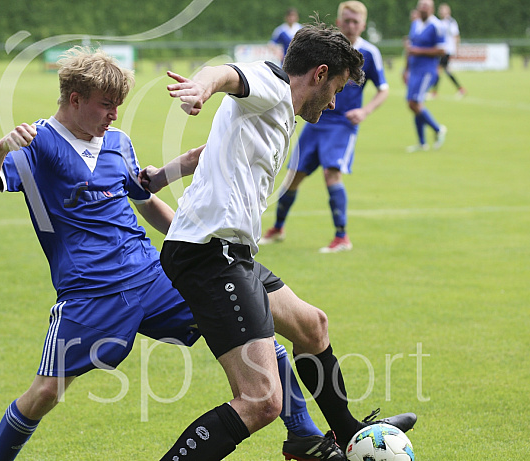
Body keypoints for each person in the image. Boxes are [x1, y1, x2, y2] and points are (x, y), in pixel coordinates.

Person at [0, 46, 341, 461]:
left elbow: (144, 202)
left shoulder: (118, 143)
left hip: (151, 275)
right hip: (91, 292)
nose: (113, 115)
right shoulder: (39, 143)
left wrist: (184, 200)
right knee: (45, 393)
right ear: (75, 100)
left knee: (257, 326)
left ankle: (304, 437)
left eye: (117, 106)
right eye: (105, 105)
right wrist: (2, 147)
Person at [149, 19, 416, 461]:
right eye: (337, 89)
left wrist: (157, 178)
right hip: (208, 256)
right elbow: (228, 75)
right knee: (261, 401)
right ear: (319, 74)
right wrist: (200, 86)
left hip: (229, 252)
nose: (333, 103)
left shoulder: (275, 111)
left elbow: (205, 151)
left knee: (313, 325)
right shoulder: (271, 84)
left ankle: (349, 437)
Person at [262, 1, 389, 253]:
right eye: (347, 21)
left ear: (363, 25)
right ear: (340, 22)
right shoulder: (328, 50)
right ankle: (278, 227)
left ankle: (342, 236)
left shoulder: (370, 54)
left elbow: (383, 89)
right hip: (316, 120)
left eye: (356, 22)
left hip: (342, 124)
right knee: (293, 175)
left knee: (331, 173)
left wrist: (365, 111)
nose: (351, 26)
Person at [404, 0, 448, 152]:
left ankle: (438, 129)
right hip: (414, 70)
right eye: (420, 6)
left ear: (431, 9)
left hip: (427, 71)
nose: (423, 9)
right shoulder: (415, 24)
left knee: (414, 103)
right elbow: (410, 48)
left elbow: (442, 50)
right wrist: (406, 69)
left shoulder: (437, 26)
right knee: (414, 103)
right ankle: (422, 143)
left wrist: (419, 51)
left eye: (426, 7)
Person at [430, 2, 465, 98]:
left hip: (447, 50)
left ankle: (434, 92)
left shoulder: (451, 22)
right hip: (442, 50)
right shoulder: (440, 22)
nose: (440, 11)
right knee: (446, 71)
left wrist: (456, 49)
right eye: (440, 10)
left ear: (448, 11)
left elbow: (456, 36)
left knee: (438, 70)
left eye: (443, 10)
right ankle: (460, 89)